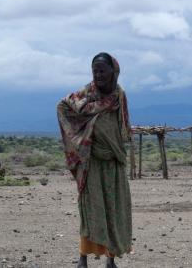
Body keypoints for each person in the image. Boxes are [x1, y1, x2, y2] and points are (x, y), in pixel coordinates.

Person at [57, 52, 133, 268]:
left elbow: (123, 126)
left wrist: (117, 146)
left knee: (113, 208)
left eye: (102, 70)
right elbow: (62, 106)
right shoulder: (86, 93)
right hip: (90, 160)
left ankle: (111, 259)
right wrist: (81, 138)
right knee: (90, 208)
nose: (98, 75)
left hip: (114, 159)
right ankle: (83, 258)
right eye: (95, 71)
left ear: (113, 72)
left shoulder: (119, 95)